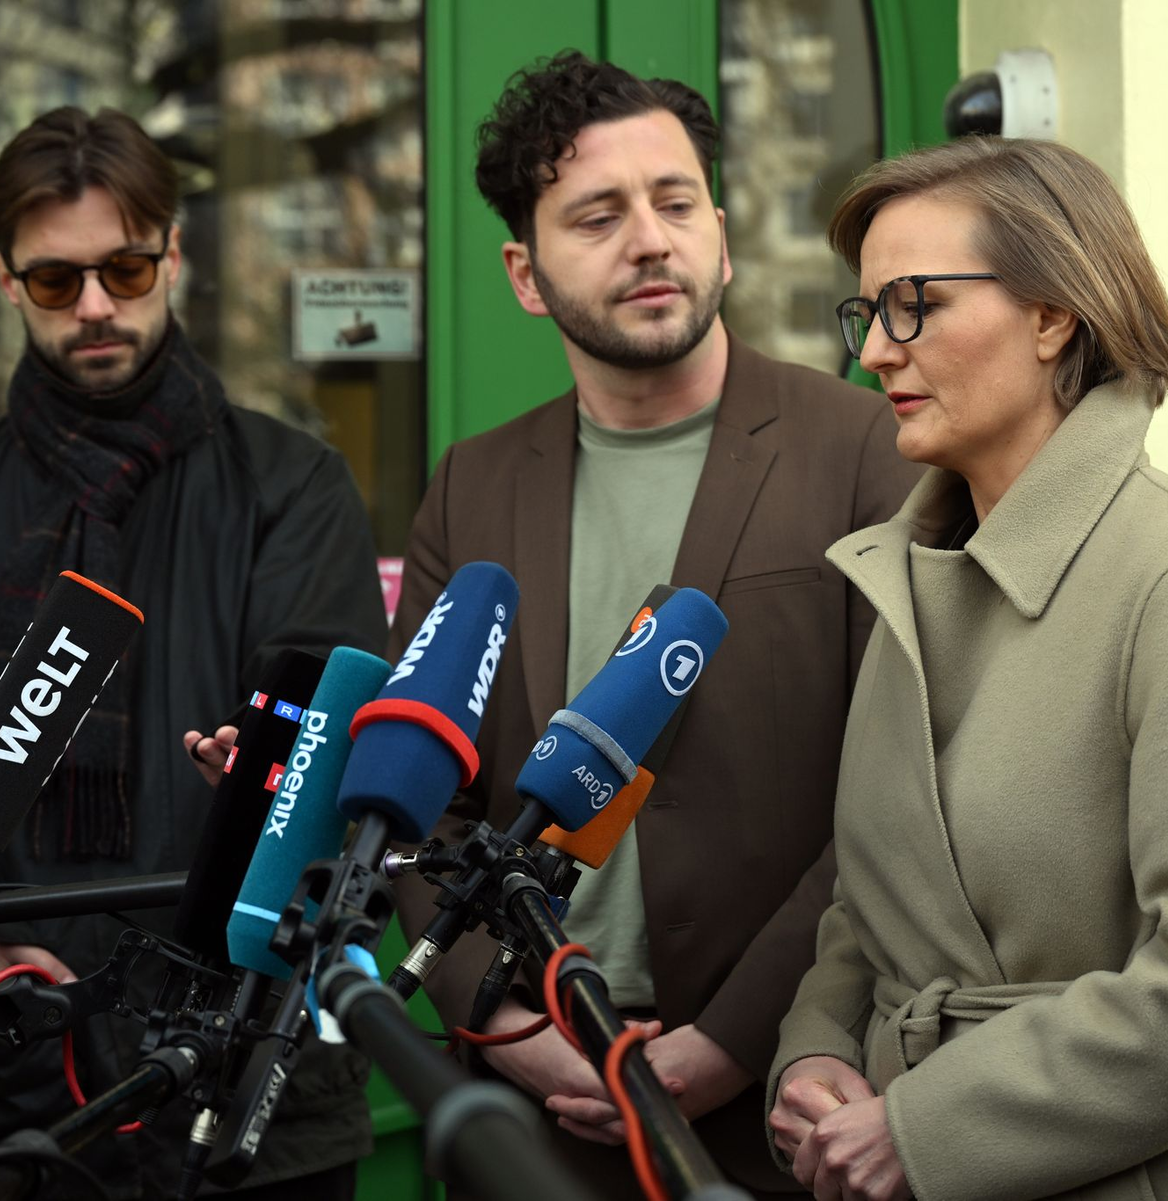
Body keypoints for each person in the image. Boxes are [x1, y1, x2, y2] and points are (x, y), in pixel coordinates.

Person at [389, 51, 918, 1198]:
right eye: (598, 216)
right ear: (526, 275)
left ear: (720, 236)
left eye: (676, 203)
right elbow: (421, 801)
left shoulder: (864, 449)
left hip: (790, 1100)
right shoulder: (474, 484)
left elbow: (901, 797)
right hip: (530, 1109)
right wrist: (510, 1025)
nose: (648, 240)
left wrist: (730, 1041)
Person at [0, 107, 388, 1200]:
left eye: (125, 267)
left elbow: (331, 770)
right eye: (55, 279)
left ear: (175, 255)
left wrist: (268, 772)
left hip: (251, 1086)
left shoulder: (291, 484)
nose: (95, 305)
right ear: (7, 281)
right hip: (10, 1088)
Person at [766, 135, 1168, 1201]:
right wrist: (814, 1052)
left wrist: (929, 1129)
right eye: (867, 313)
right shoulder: (911, 572)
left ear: (1052, 315)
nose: (875, 352)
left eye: (916, 305)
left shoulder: (1156, 577)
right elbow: (874, 907)